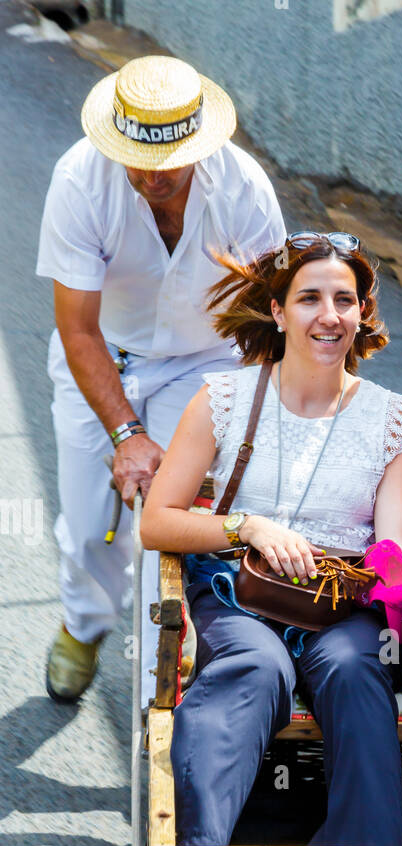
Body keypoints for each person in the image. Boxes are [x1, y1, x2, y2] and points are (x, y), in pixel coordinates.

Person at [140, 232, 402, 846]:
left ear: (362, 313)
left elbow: (398, 542)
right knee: (255, 665)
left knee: (354, 667)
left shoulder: (394, 418)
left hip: (339, 599)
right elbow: (156, 520)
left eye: (344, 300)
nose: (329, 316)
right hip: (243, 587)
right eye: (309, 299)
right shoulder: (224, 398)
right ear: (277, 311)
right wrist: (249, 524)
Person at [37, 55, 286, 701]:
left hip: (205, 361)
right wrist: (126, 435)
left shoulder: (245, 189)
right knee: (93, 524)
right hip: (102, 353)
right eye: (138, 158)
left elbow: (271, 317)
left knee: (171, 518)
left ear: (199, 143)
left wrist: (261, 423)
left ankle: (165, 675)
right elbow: (79, 329)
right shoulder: (77, 182)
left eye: (170, 158)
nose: (153, 175)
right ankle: (85, 625)